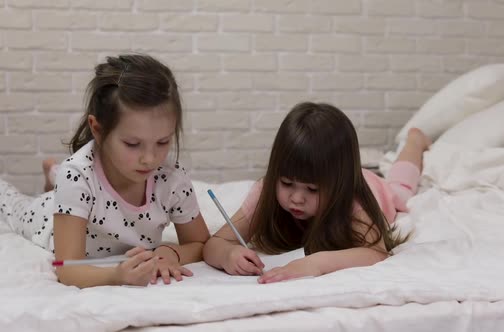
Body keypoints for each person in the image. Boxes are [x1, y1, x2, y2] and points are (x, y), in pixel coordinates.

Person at [0, 54, 210, 288]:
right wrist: (115, 276)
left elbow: (201, 243)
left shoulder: (171, 178)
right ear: (97, 130)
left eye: (163, 142)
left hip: (75, 188)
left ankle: (53, 174)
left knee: (69, 179)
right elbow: (66, 269)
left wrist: (171, 253)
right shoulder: (77, 175)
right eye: (132, 144)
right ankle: (54, 178)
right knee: (11, 202)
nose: (150, 159)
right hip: (46, 217)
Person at [203, 102, 431, 283]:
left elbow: (376, 254)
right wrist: (227, 254)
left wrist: (316, 263)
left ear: (339, 187)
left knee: (399, 191)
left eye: (312, 189)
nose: (296, 198)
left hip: (373, 187)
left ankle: (414, 141)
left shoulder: (354, 201)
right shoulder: (266, 190)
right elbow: (215, 243)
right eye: (286, 183)